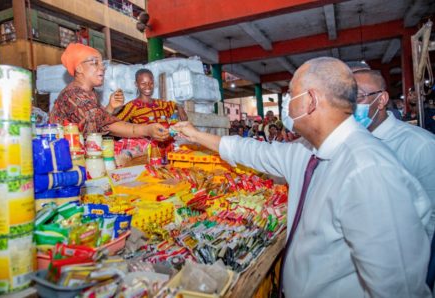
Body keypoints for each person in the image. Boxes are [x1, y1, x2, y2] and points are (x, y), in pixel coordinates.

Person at [174, 57, 431, 297]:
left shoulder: (368, 170)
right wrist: (196, 135)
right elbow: (251, 150)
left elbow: (398, 287)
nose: (287, 104)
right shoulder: (307, 151)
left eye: (290, 95)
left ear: (310, 100)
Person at [353, 69, 435, 237]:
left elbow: (432, 218)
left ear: (381, 99)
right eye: (345, 99)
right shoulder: (350, 143)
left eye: (358, 97)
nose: (349, 106)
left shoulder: (421, 145)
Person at [49, 43, 168, 141]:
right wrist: (147, 130)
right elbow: (107, 125)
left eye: (102, 63)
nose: (102, 68)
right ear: (79, 68)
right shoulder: (74, 96)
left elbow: (95, 121)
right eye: (95, 63)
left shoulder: (90, 93)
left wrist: (110, 107)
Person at [116, 68, 187, 124]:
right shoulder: (132, 106)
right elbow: (116, 123)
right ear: (136, 84)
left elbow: (174, 105)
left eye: (151, 83)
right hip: (144, 142)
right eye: (143, 83)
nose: (148, 86)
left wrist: (179, 108)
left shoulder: (160, 103)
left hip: (165, 141)